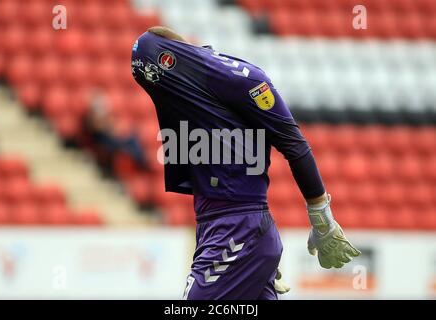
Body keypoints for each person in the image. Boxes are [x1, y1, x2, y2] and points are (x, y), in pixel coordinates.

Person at [131, 26, 360, 300]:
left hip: (239, 227)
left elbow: (294, 144)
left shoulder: (241, 79)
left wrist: (322, 220)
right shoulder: (187, 87)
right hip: (224, 228)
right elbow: (146, 44)